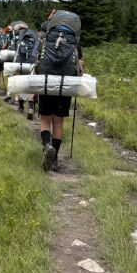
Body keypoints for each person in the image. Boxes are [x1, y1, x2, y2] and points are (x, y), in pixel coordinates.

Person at [37, 9, 83, 172]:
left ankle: (46, 146)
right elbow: (80, 65)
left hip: (47, 81)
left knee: (45, 118)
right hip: (65, 83)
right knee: (58, 121)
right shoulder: (74, 40)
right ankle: (55, 159)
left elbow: (38, 61)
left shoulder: (45, 37)